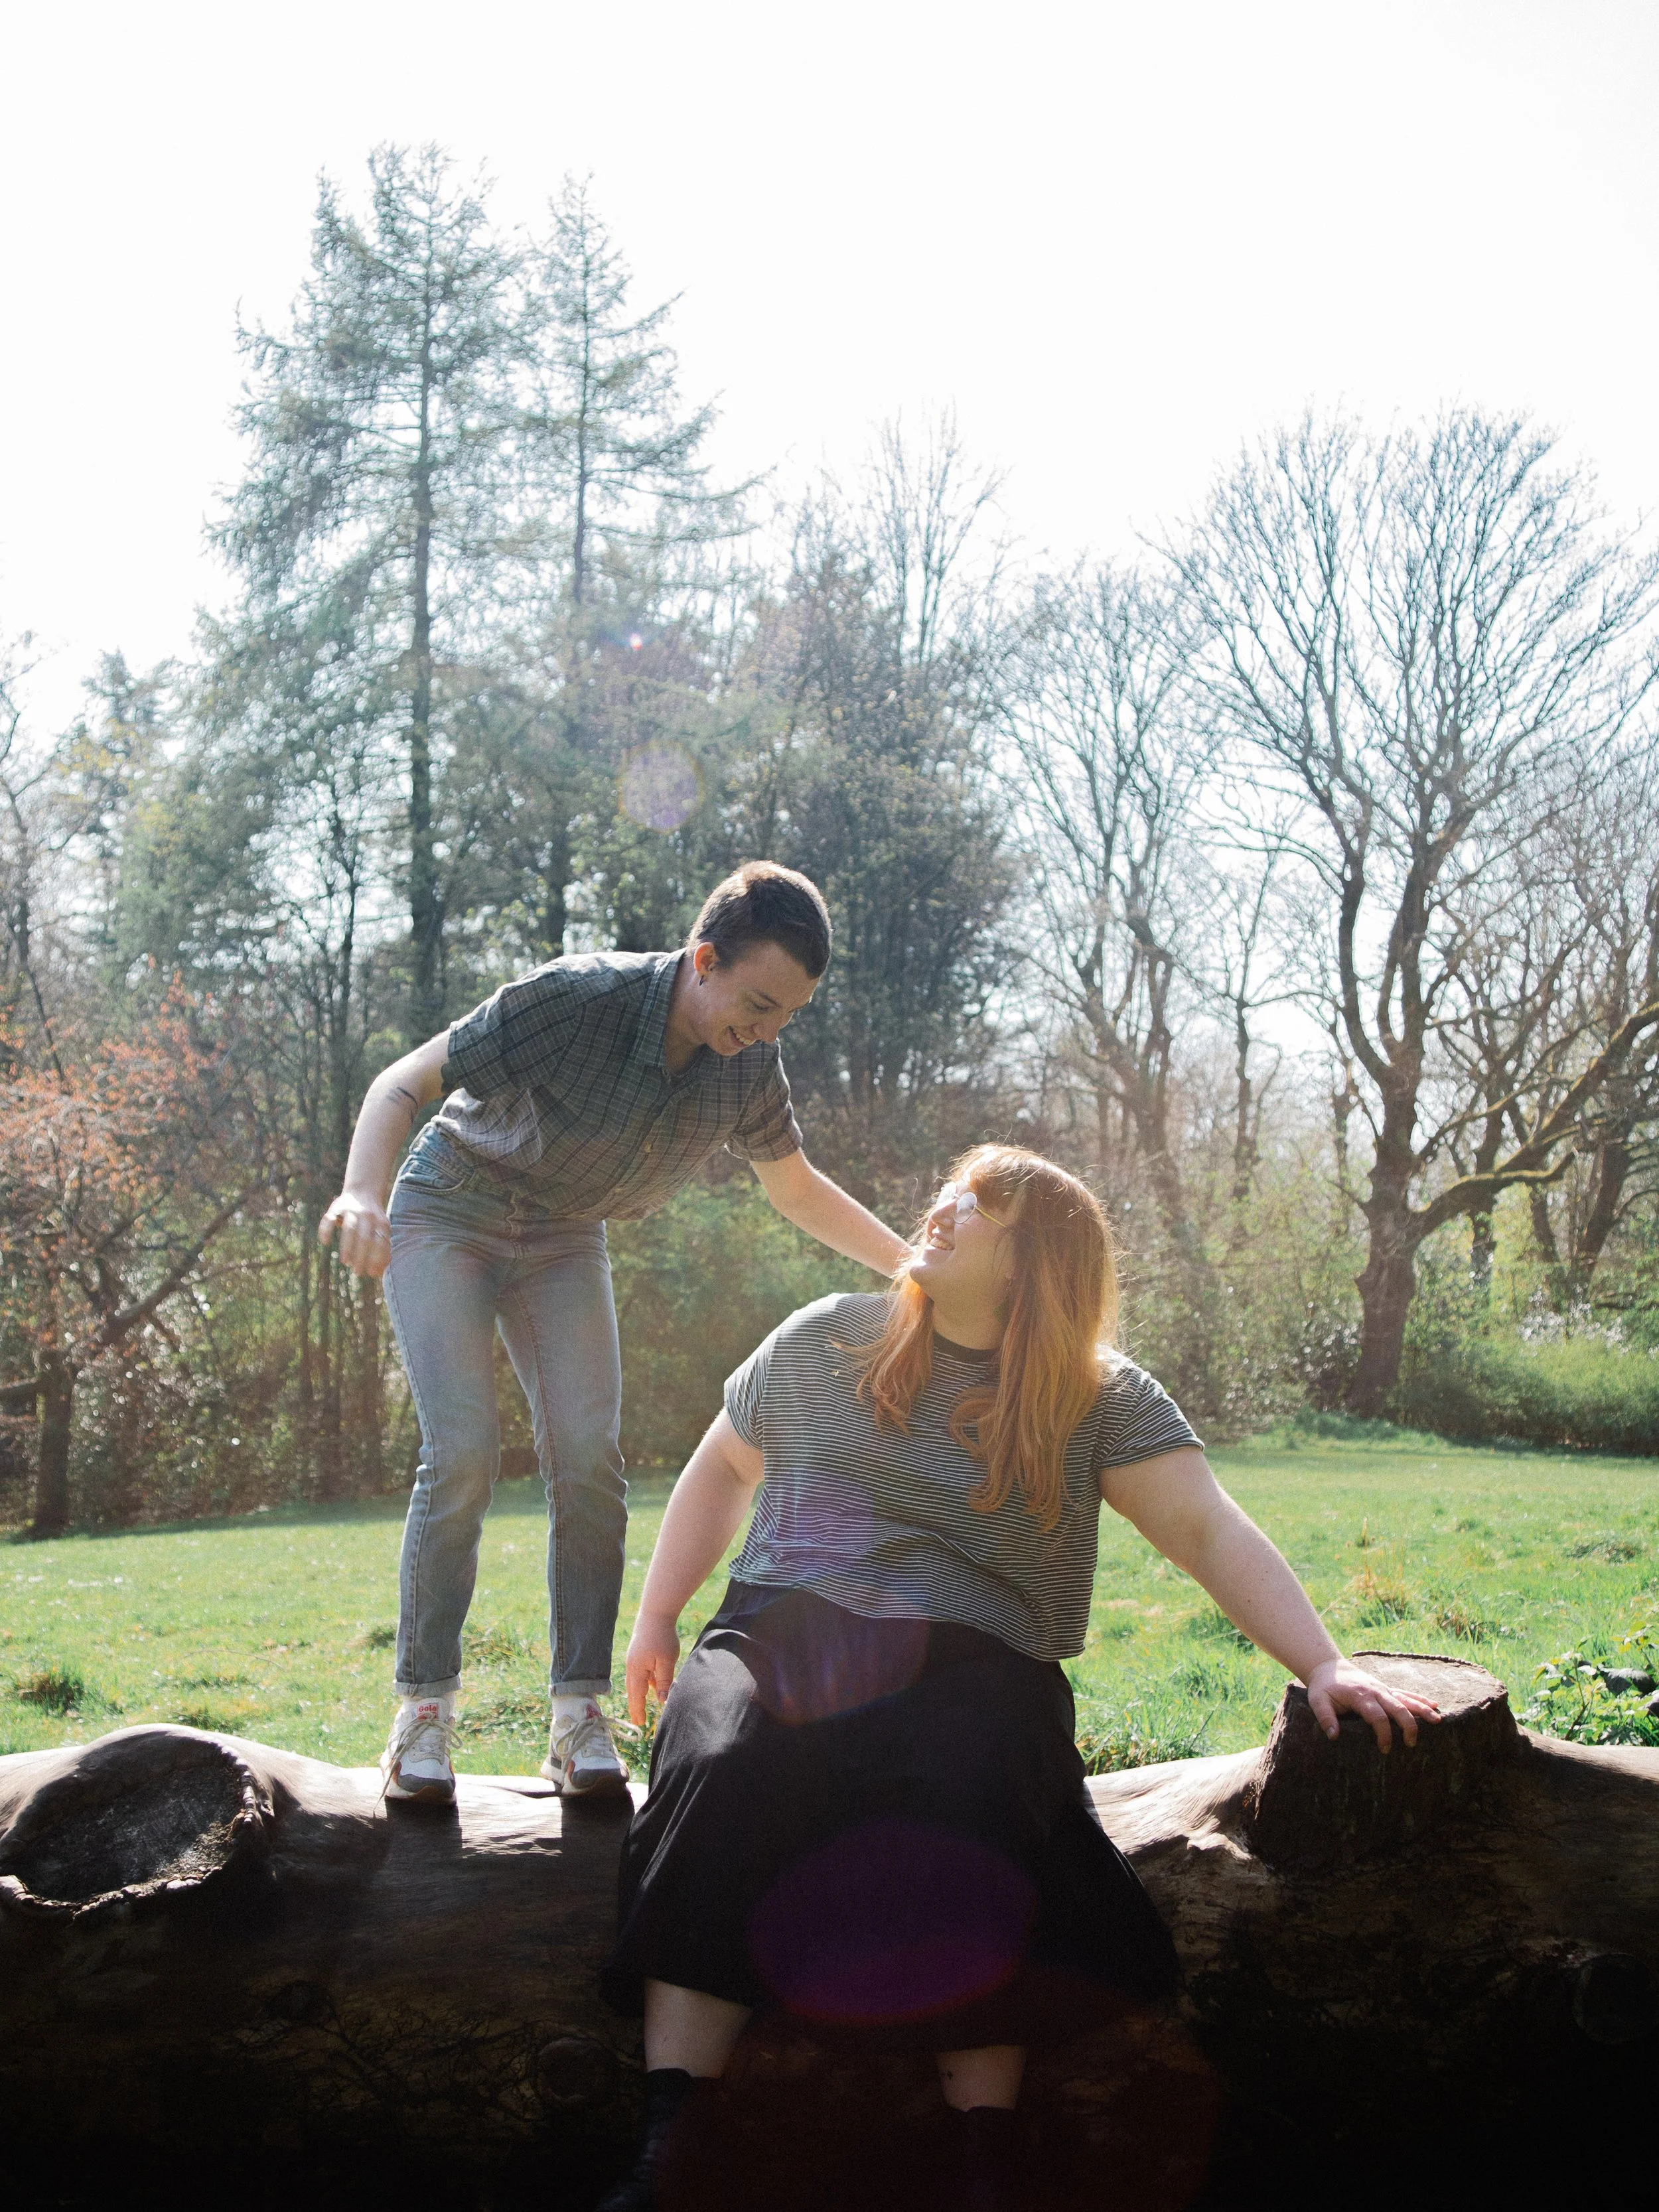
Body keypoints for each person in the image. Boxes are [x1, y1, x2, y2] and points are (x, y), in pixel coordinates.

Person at [599, 1144, 1439, 2211]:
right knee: (724, 1761)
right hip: (784, 1630)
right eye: (947, 1186)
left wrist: (1323, 1660)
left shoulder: (1097, 1396)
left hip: (982, 1658)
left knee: (979, 1787)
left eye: (980, 1204)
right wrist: (661, 1612)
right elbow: (724, 1462)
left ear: (1033, 1262)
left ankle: (982, 2149)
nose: (940, 1208)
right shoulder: (826, 1339)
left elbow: (1205, 1527)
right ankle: (674, 2141)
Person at [320, 863, 911, 1806]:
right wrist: (360, 1191)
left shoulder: (748, 1065)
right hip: (453, 1205)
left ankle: (576, 1717)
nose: (763, 1032)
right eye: (757, 1002)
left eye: (784, 1016)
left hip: (564, 1236)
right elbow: (403, 1083)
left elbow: (794, 1188)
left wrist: (906, 1262)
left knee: (590, 1459)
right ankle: (422, 1714)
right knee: (465, 1448)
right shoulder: (576, 997)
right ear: (703, 958)